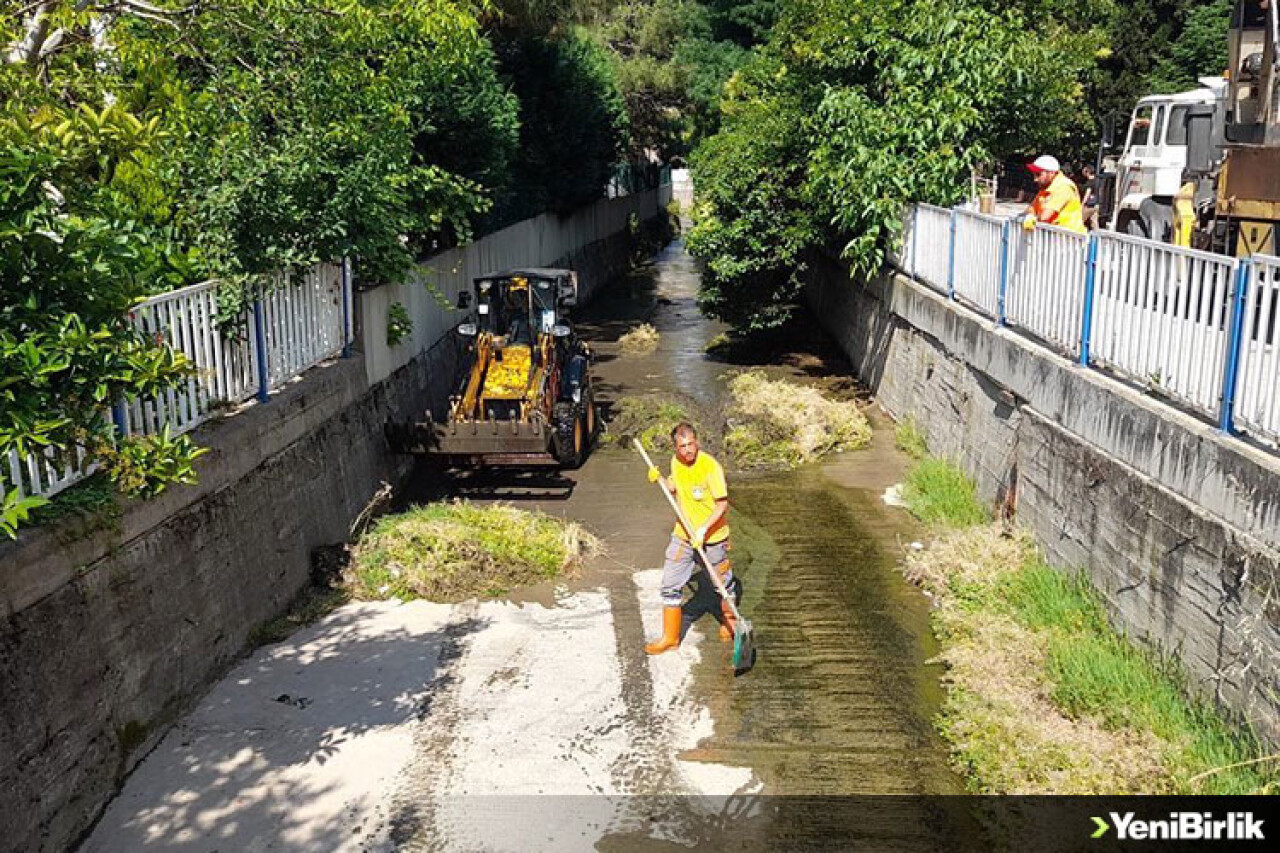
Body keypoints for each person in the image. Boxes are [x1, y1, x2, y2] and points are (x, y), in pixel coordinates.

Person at [643, 423, 740, 655]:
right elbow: (676, 488)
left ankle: (731, 623)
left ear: (697, 442)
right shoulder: (675, 462)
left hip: (713, 537)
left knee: (722, 584)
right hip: (684, 534)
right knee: (670, 584)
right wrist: (661, 481)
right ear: (675, 447)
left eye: (691, 444)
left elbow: (722, 504)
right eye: (682, 446)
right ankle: (670, 638)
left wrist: (704, 530)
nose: (688, 450)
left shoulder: (710, 467)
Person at [1023, 155, 1086, 235]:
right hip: (1056, 238)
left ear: (1052, 173)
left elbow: (1045, 217)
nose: (1035, 179)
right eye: (1034, 175)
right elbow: (1030, 209)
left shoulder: (1063, 186)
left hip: (1069, 240)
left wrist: (1031, 218)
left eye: (1038, 174)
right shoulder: (1047, 187)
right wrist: (1029, 216)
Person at [1080, 164, 1100, 230]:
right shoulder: (1098, 181)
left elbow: (1087, 194)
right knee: (1094, 224)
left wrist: (1082, 204)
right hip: (1096, 205)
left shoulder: (1090, 182)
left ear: (1087, 172)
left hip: (1089, 206)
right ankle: (1096, 238)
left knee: (1079, 220)